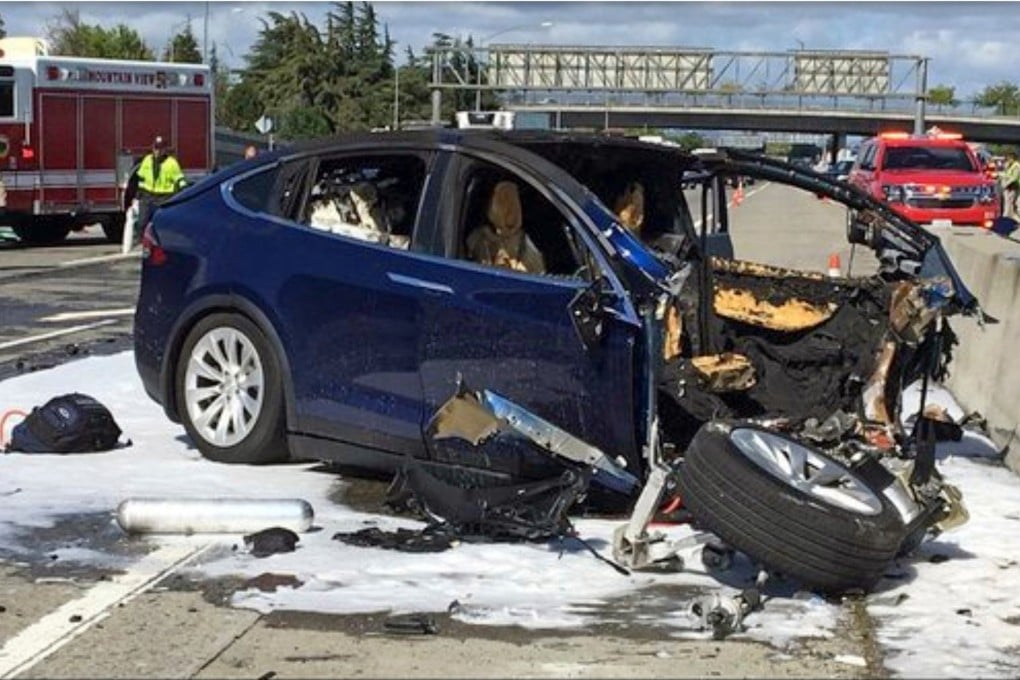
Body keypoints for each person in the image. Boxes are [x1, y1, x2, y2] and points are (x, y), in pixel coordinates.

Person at [466, 180, 545, 274]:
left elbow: (537, 272)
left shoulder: (524, 242)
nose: (508, 209)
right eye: (502, 201)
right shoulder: (479, 237)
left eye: (512, 202)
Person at [135, 135, 187, 232]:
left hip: (164, 198)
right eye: (156, 148)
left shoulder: (172, 163)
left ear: (165, 150)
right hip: (147, 196)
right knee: (141, 223)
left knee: (161, 224)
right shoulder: (147, 160)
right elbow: (141, 178)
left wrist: (184, 191)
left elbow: (180, 179)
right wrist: (138, 193)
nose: (157, 151)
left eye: (160, 149)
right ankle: (141, 239)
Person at [1001, 149, 1020, 222]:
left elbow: (1014, 178)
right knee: (1009, 203)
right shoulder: (1010, 165)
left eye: (1009, 158)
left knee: (1010, 203)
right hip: (1009, 187)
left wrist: (1005, 184)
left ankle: (1007, 217)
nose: (1007, 159)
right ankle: (1008, 217)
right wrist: (1000, 174)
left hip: (1013, 186)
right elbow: (1007, 175)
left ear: (1013, 158)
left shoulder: (1016, 166)